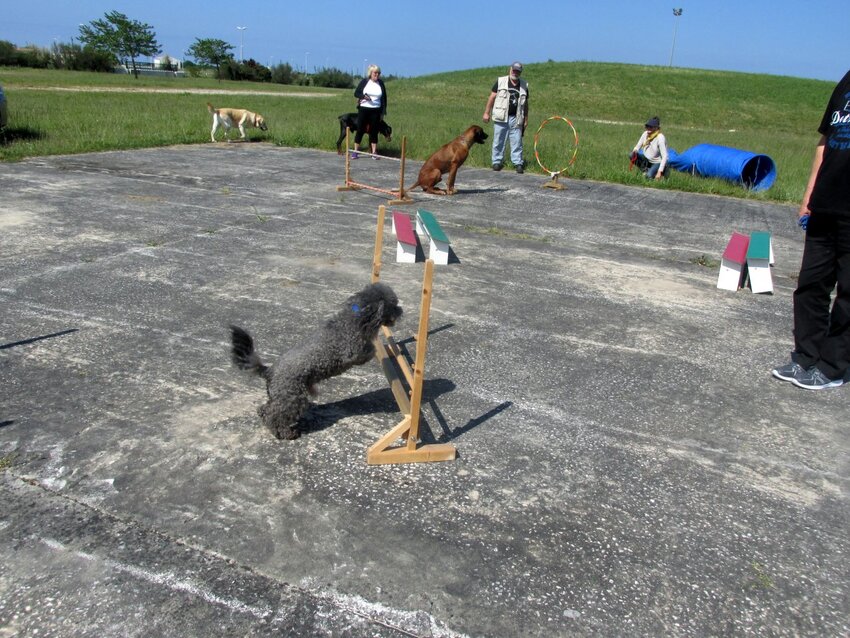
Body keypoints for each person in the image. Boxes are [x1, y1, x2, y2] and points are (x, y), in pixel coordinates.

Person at [772, 69, 850, 390]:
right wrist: (808, 196)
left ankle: (833, 368)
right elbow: (825, 141)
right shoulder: (846, 82)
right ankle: (805, 357)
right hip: (825, 203)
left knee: (848, 293)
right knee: (810, 285)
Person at [483, 62, 529, 173]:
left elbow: (526, 104)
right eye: (514, 70)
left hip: (516, 118)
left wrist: (526, 119)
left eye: (518, 71)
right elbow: (492, 97)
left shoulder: (524, 85)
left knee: (517, 141)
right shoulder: (500, 81)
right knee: (498, 140)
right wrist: (486, 113)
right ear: (510, 69)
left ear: (520, 72)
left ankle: (518, 163)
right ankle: (497, 162)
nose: (515, 72)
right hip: (501, 117)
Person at [352, 64, 387, 159]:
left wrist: (383, 113)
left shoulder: (381, 83)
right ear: (370, 73)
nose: (377, 75)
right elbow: (356, 93)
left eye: (378, 73)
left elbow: (384, 99)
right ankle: (355, 151)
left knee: (374, 131)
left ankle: (374, 152)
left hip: (376, 110)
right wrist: (363, 96)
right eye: (375, 73)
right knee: (360, 129)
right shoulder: (365, 82)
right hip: (364, 109)